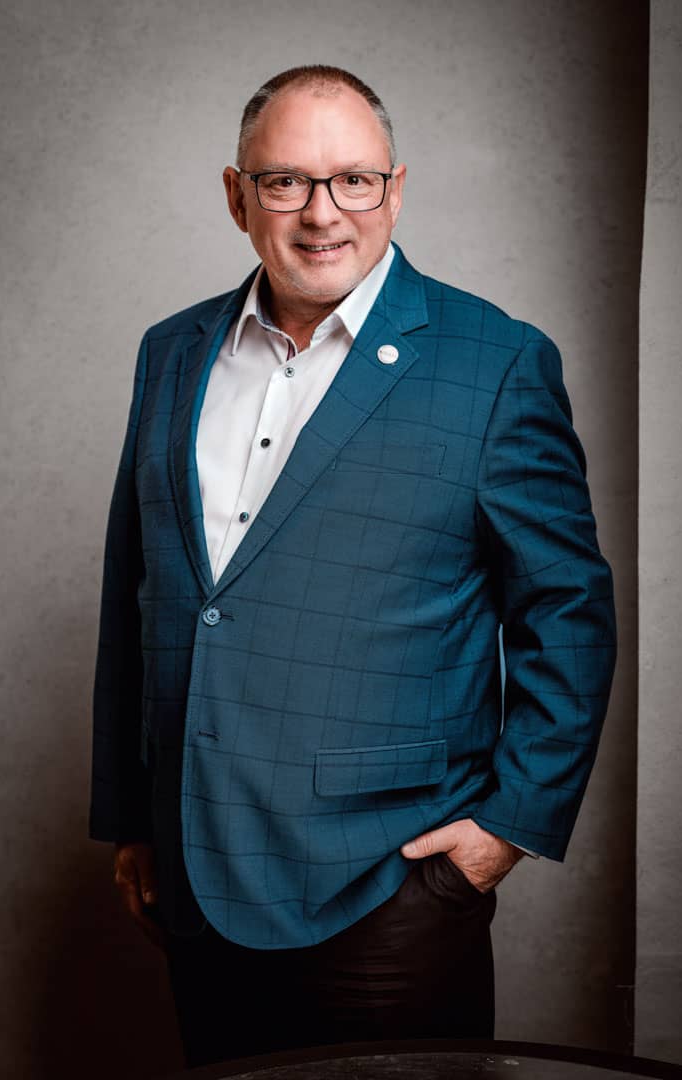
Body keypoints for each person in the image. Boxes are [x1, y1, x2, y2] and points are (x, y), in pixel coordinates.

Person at [89, 65, 617, 1067]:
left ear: (395, 190)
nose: (322, 212)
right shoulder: (172, 351)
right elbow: (139, 590)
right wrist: (132, 815)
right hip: (194, 868)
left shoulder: (494, 362)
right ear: (237, 195)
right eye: (286, 181)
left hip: (391, 886)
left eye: (354, 181)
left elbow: (569, 609)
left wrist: (504, 831)